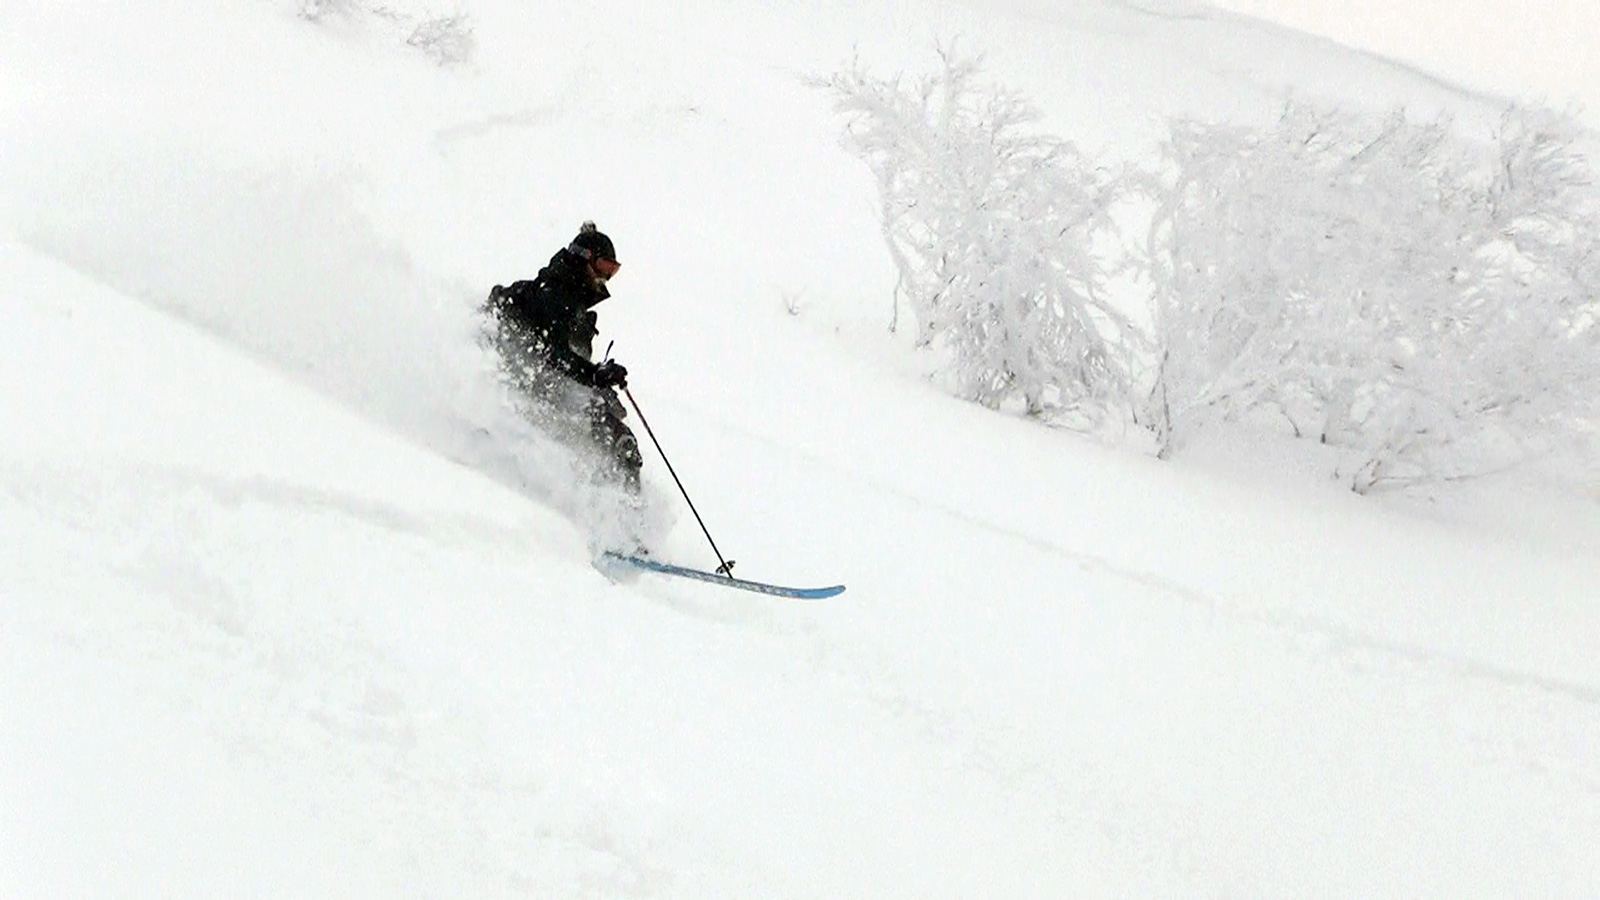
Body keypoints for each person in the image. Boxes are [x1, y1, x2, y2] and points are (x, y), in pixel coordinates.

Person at [484, 221, 643, 494]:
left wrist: (600, 378)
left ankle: (617, 496)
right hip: (519, 373)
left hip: (543, 379)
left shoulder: (575, 304)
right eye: (603, 267)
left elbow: (570, 357)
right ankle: (610, 490)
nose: (606, 277)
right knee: (600, 421)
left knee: (610, 427)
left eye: (612, 271)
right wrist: (594, 375)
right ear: (584, 258)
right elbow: (555, 355)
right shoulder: (553, 293)